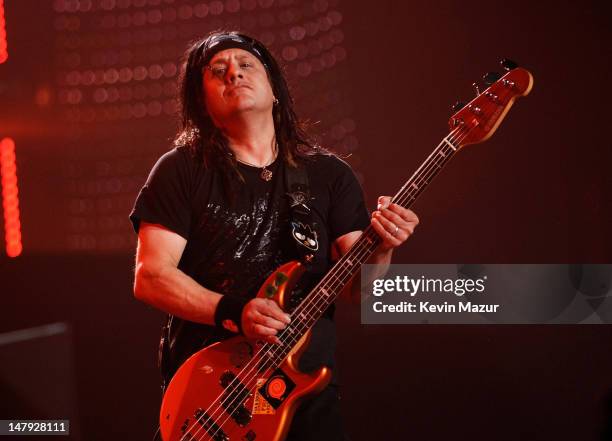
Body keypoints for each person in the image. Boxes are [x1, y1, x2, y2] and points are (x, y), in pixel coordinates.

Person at [130, 30, 419, 441]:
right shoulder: (181, 170)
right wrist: (234, 311)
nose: (234, 74)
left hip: (303, 392)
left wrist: (383, 248)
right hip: (211, 398)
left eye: (246, 65)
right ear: (203, 103)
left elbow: (362, 291)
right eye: (218, 71)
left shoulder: (329, 175)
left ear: (275, 90)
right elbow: (152, 276)